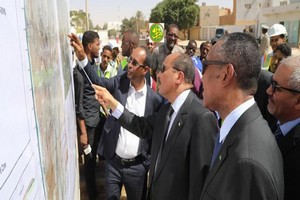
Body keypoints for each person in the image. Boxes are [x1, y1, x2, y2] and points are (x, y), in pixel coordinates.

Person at [93, 53, 218, 200]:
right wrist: (112, 104)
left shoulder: (201, 117)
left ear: (179, 77)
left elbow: (200, 183)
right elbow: (141, 126)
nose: (158, 75)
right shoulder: (167, 110)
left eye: (163, 70)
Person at [69, 33, 163, 200]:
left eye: (135, 63)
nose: (129, 65)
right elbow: (97, 81)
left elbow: (151, 135)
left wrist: (144, 164)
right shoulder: (119, 83)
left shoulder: (155, 101)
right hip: (113, 164)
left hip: (137, 168)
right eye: (129, 61)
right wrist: (83, 58)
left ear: (145, 70)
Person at [200, 32, 284, 200]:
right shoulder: (239, 130)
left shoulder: (248, 160)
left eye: (205, 66)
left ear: (226, 74)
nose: (201, 77)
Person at [73, 30, 102, 200]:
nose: (99, 48)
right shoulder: (79, 73)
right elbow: (79, 105)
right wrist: (83, 133)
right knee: (90, 166)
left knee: (96, 162)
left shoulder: (91, 68)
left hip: (97, 121)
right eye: (98, 44)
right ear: (90, 46)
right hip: (89, 127)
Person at [266, 56, 300, 200]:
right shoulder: (277, 121)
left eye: (276, 87)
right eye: (271, 83)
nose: (268, 91)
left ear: (298, 101)